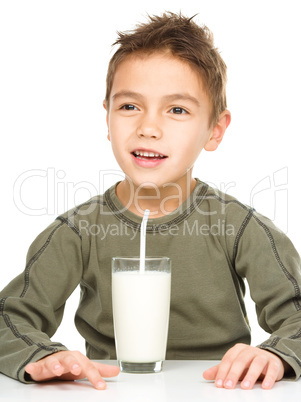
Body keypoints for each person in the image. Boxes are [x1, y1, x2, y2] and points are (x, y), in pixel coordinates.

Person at [0, 11, 300, 391]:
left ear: (215, 130)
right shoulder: (77, 231)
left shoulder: (239, 227)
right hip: (109, 391)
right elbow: (10, 317)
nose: (148, 127)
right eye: (129, 106)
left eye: (177, 110)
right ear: (107, 117)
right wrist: (40, 355)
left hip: (219, 391)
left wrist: (276, 352)